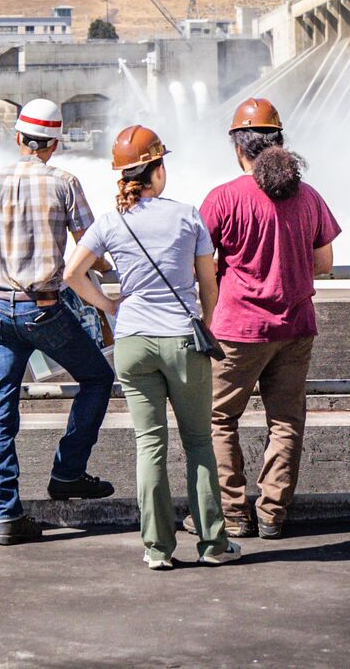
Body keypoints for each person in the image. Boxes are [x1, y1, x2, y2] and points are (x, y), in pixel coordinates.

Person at [65, 123, 237, 571]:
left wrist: (109, 306)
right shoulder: (188, 216)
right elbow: (208, 282)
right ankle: (213, 545)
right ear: (157, 170)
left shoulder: (110, 221)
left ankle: (157, 549)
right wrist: (209, 324)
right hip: (182, 338)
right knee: (199, 442)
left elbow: (72, 274)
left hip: (133, 341)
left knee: (150, 445)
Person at [0, 98, 116, 545]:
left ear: (18, 138)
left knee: (0, 407)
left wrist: (3, 266)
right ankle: (67, 472)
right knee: (98, 378)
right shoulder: (64, 182)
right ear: (55, 142)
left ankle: (6, 514)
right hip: (43, 308)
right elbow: (91, 248)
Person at [201, 97, 339, 540]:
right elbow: (324, 263)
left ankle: (233, 513)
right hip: (296, 327)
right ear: (278, 141)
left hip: (238, 329)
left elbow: (198, 262)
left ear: (237, 147)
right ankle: (272, 514)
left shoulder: (223, 199)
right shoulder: (308, 195)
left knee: (220, 419)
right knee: (285, 422)